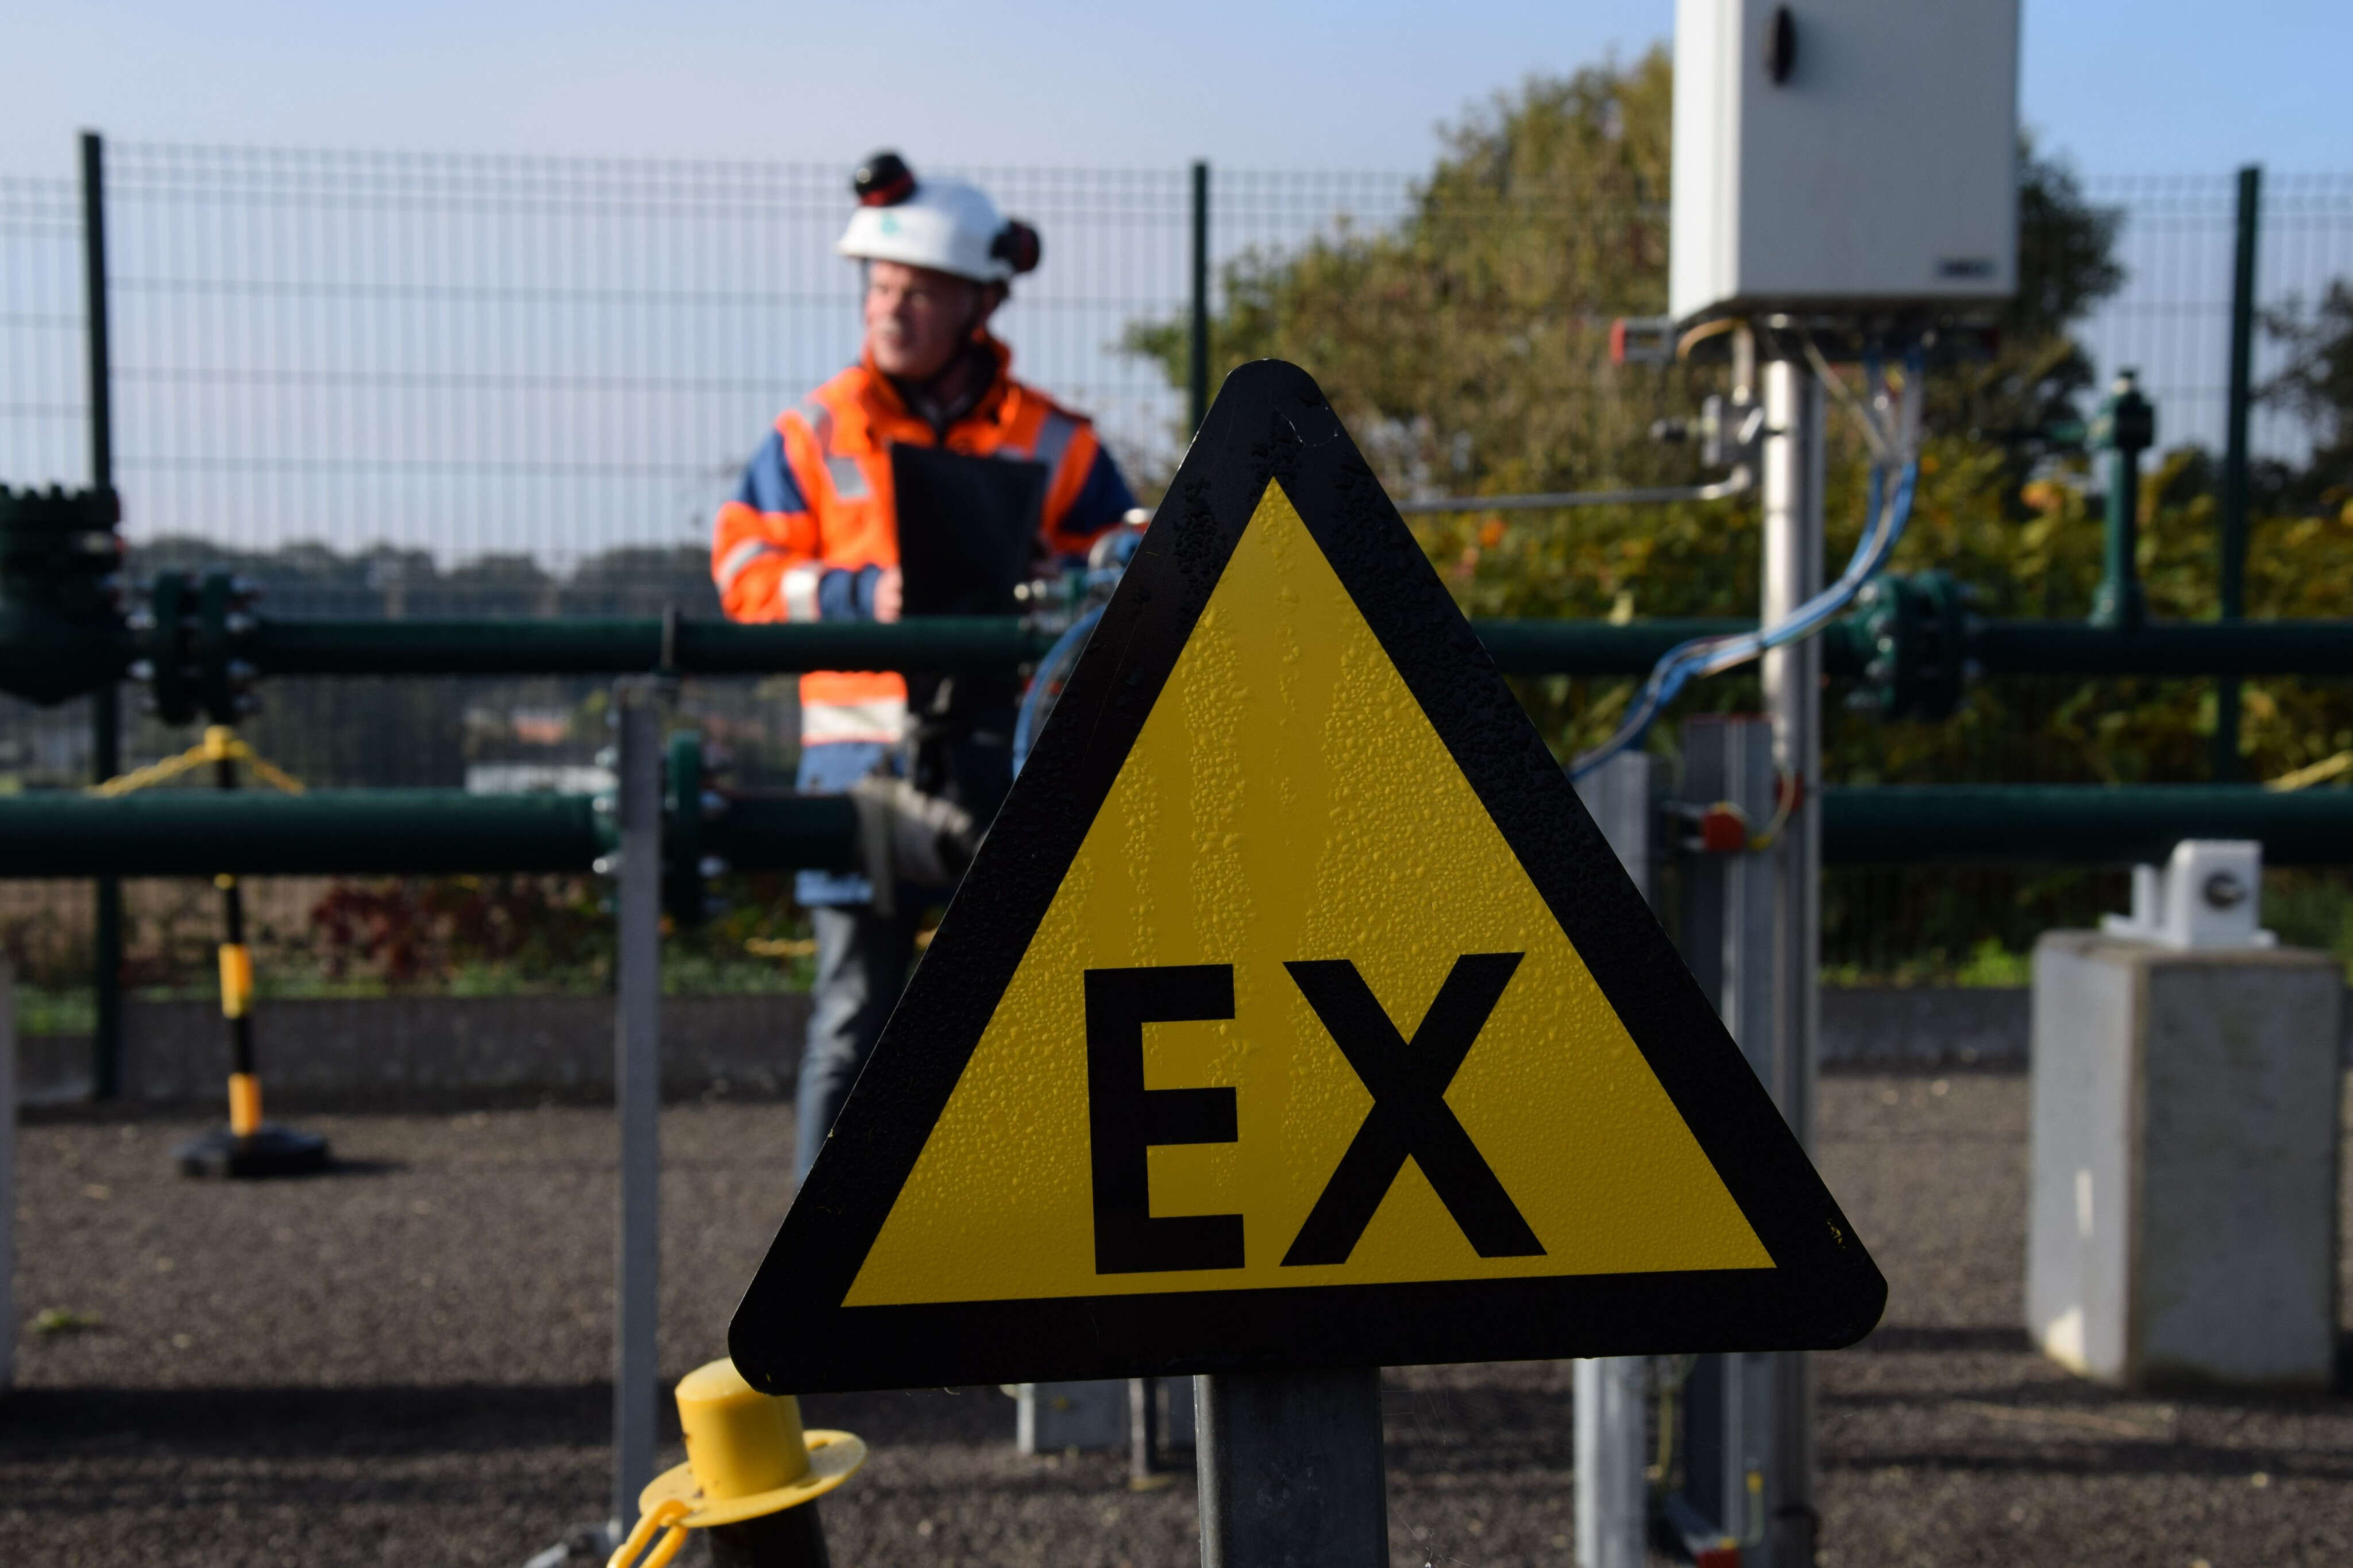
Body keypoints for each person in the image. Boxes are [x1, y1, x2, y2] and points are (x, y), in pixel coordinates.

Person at [712, 152, 1139, 1183]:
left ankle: (1006, 1257)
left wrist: (1072, 574)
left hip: (1006, 759)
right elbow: (743, 572)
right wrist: (865, 597)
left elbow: (1130, 558)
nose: (889, 309)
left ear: (978, 304)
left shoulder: (1054, 439)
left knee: (1012, 1015)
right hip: (856, 772)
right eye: (880, 287)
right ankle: (817, 1283)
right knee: (853, 1017)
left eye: (917, 291)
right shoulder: (811, 433)